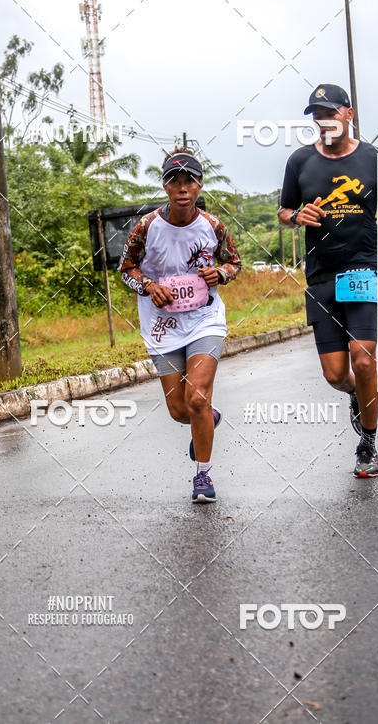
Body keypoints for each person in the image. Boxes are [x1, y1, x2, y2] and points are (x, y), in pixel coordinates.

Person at [119, 149, 241, 502]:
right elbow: (126, 268)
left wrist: (219, 273)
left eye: (189, 180)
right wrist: (149, 286)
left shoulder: (213, 226)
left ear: (200, 185)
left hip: (205, 320)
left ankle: (203, 476)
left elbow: (234, 262)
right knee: (178, 410)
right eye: (175, 181)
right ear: (166, 187)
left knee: (198, 397)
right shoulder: (147, 226)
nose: (183, 188)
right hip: (163, 325)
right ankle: (207, 418)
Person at [278, 83, 378, 478]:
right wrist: (296, 217)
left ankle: (368, 444)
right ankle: (358, 398)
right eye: (316, 115)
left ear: (348, 114)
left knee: (363, 358)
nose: (323, 121)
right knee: (336, 374)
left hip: (362, 267)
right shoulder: (300, 161)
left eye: (329, 113)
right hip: (321, 273)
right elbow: (284, 210)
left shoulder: (376, 158)